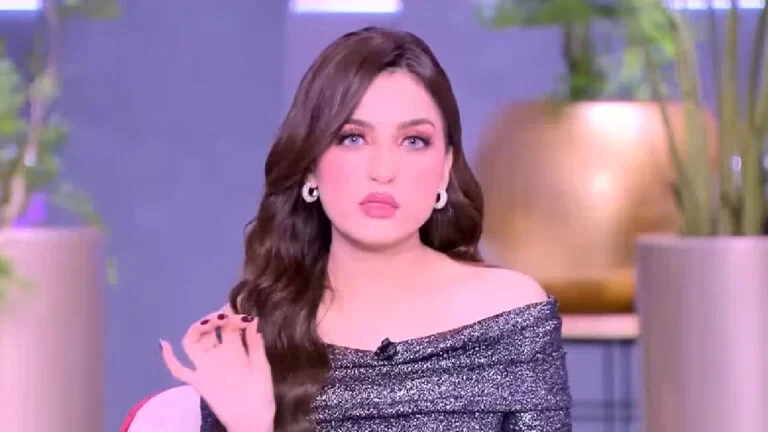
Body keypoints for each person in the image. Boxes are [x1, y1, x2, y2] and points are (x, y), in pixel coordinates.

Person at [159, 26, 572, 432]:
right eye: (353, 138)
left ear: (446, 166)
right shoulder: (252, 330)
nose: (383, 171)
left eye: (413, 141)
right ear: (310, 165)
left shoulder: (510, 312)